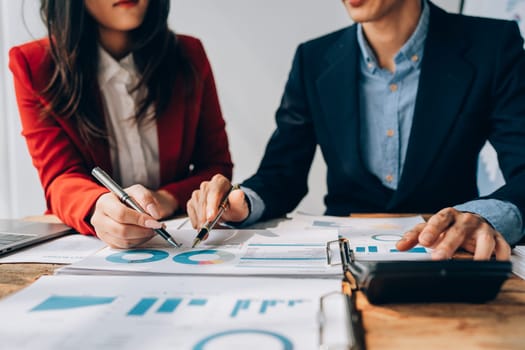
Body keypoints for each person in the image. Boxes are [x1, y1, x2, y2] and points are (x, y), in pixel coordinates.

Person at [187, 0, 525, 260]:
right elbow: (282, 173)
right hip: (340, 257)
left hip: (447, 252)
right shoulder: (313, 59)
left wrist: (483, 217)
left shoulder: (492, 46)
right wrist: (242, 201)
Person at [9, 0, 232, 248]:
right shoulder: (35, 64)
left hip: (176, 237)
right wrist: (98, 206)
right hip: (88, 247)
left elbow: (216, 167)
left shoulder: (188, 54)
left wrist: (165, 199)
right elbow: (60, 178)